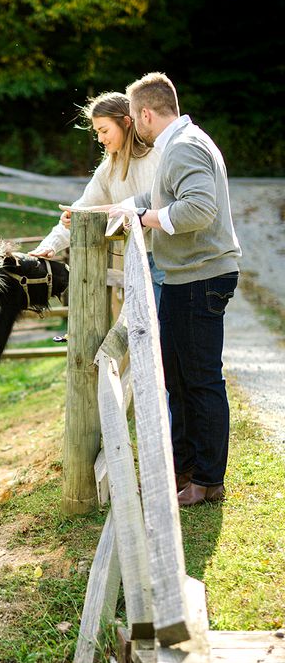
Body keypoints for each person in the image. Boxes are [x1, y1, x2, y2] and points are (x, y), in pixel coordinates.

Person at [105, 71, 241, 506]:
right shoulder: (180, 144)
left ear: (146, 114)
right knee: (180, 380)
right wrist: (119, 209)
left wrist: (144, 221)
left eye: (133, 117)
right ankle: (182, 471)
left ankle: (207, 480)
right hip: (189, 275)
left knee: (199, 380)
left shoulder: (183, 148)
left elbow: (198, 209)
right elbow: (162, 198)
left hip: (200, 277)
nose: (132, 126)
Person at [30, 91, 165, 310]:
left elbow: (155, 211)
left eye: (104, 130)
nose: (101, 139)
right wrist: (49, 246)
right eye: (97, 132)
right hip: (135, 265)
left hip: (164, 262)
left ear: (126, 122)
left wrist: (98, 217)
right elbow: (82, 209)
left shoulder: (156, 159)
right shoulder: (108, 169)